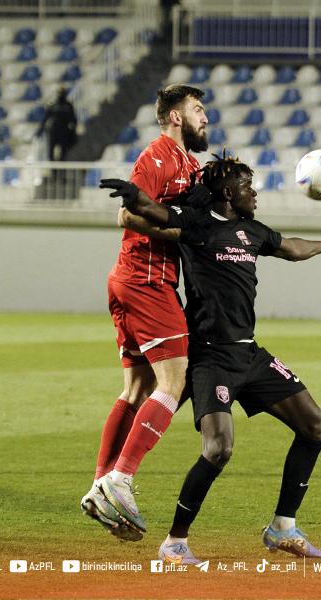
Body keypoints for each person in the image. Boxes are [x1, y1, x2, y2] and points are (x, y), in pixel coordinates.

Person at [99, 155, 321, 564]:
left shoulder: (253, 231)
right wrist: (135, 195)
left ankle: (283, 527)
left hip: (249, 354)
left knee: (316, 426)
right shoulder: (196, 225)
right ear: (227, 192)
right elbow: (155, 213)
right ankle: (175, 541)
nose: (254, 193)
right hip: (209, 357)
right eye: (247, 186)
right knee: (218, 448)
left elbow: (291, 248)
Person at [79, 84, 209, 542]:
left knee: (137, 388)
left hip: (134, 279)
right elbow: (126, 218)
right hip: (145, 280)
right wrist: (182, 233)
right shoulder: (156, 157)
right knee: (173, 382)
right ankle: (121, 479)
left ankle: (100, 485)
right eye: (198, 109)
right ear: (175, 117)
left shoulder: (189, 165)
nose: (205, 118)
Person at [36, 86, 78, 162]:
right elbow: (45, 119)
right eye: (60, 93)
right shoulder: (53, 105)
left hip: (64, 132)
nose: (61, 95)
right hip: (54, 131)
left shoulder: (68, 106)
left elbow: (73, 120)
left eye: (62, 93)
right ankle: (52, 166)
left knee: (64, 152)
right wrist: (40, 131)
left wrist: (73, 132)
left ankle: (61, 165)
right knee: (51, 151)